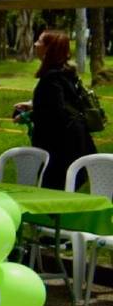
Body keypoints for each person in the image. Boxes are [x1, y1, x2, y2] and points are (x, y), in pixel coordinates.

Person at [28, 30, 97, 189]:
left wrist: (30, 114)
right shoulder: (67, 74)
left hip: (61, 148)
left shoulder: (51, 78)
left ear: (49, 49)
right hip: (76, 142)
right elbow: (65, 103)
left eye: (40, 41)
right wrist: (33, 105)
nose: (35, 44)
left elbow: (54, 114)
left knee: (54, 191)